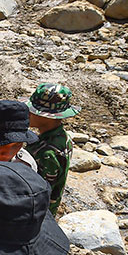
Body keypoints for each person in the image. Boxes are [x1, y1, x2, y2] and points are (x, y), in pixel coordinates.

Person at [25, 84, 79, 215]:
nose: (28, 114)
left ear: (47, 117)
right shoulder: (63, 137)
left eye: (32, 111)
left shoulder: (47, 152)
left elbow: (39, 192)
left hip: (37, 213)